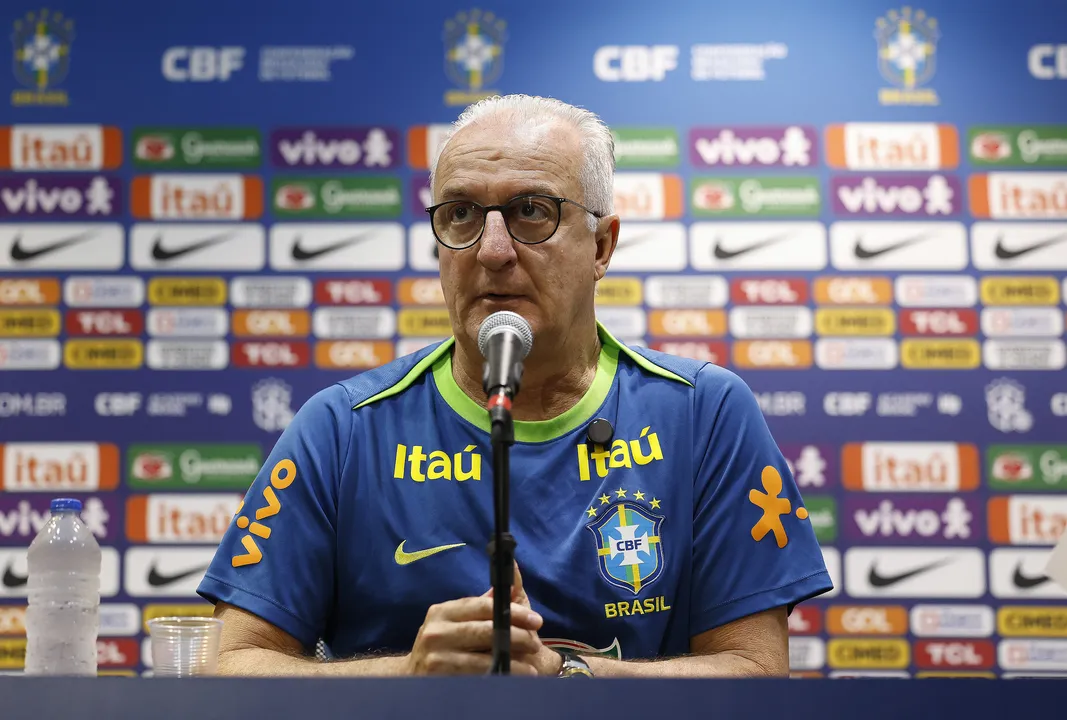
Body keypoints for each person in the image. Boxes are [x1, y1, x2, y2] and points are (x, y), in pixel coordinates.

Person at [196, 94, 832, 678]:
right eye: (462, 214)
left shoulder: (705, 414)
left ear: (603, 245)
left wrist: (565, 677)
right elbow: (233, 667)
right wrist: (408, 677)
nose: (492, 249)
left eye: (531, 211)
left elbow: (755, 676)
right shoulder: (343, 427)